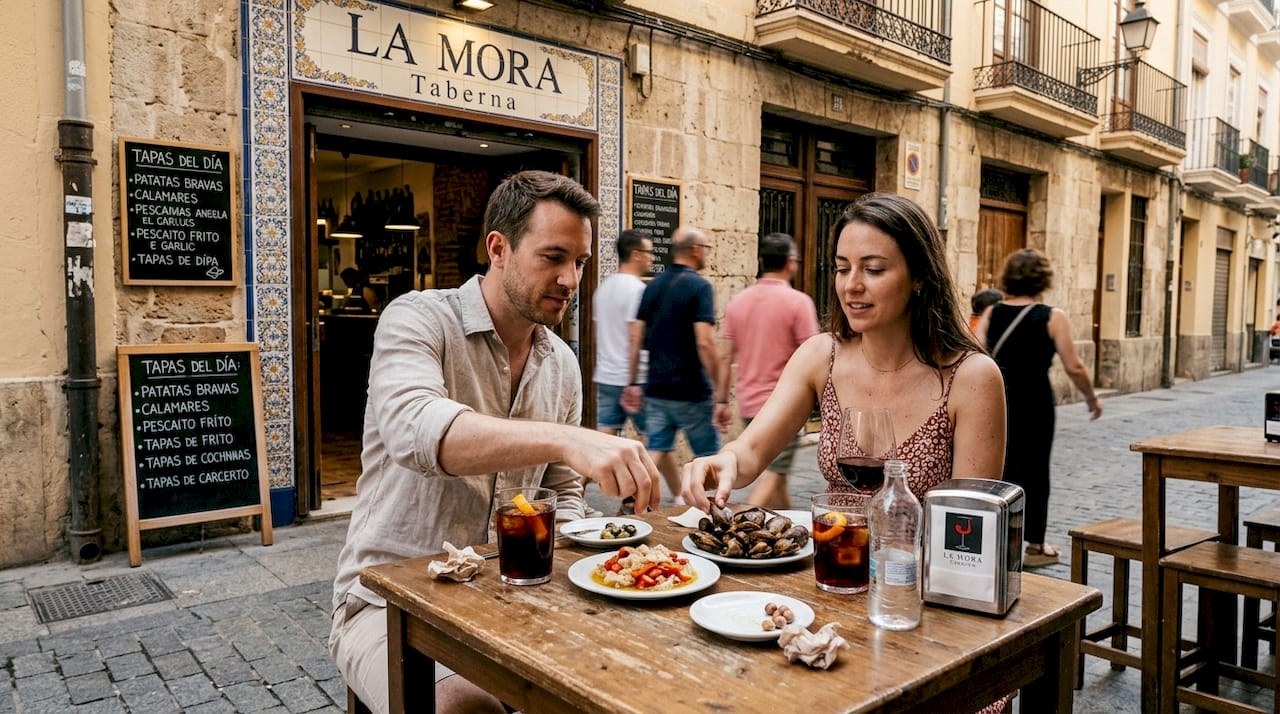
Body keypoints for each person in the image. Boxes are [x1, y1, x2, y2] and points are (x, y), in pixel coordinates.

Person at [330, 170, 662, 714]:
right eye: (553, 257)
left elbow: (563, 493)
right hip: (389, 603)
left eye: (580, 262)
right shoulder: (418, 317)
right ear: (499, 249)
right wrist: (567, 439)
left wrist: (600, 556)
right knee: (467, 709)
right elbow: (418, 430)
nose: (570, 279)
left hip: (513, 595)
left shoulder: (562, 364)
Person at [681, 192, 1006, 515]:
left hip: (919, 551)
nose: (851, 285)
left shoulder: (971, 377)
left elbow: (970, 522)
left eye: (873, 269)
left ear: (919, 276)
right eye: (842, 268)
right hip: (833, 544)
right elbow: (752, 450)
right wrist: (726, 460)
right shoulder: (821, 356)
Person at [977, 248, 1102, 568]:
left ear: (1008, 277)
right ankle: (1035, 546)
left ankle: (995, 539)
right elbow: (1073, 366)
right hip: (1035, 403)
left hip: (998, 401)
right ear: (1043, 279)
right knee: (1035, 470)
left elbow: (974, 355)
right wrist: (1091, 397)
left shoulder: (991, 313)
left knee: (1000, 467)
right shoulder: (1052, 316)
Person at [623, 226, 729, 503]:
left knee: (657, 446)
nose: (707, 254)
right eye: (706, 249)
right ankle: (711, 510)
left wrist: (633, 381)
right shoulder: (700, 287)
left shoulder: (652, 286)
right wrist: (720, 392)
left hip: (656, 387)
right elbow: (705, 342)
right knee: (708, 456)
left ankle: (634, 498)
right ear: (695, 250)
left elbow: (635, 337)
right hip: (691, 390)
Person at [719, 232, 820, 509]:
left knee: (778, 474)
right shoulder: (798, 303)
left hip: (749, 405)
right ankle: (736, 524)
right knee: (773, 476)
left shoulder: (738, 302)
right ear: (790, 262)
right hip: (783, 407)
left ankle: (785, 523)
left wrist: (721, 401)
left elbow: (726, 355)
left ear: (761, 262)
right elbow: (814, 353)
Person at [593, 229, 671, 514]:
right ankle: (635, 499)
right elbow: (635, 335)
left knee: (603, 441)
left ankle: (576, 492)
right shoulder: (638, 290)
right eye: (649, 252)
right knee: (659, 437)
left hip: (606, 375)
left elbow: (598, 332)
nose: (652, 258)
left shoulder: (603, 288)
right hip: (633, 378)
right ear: (635, 254)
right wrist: (633, 382)